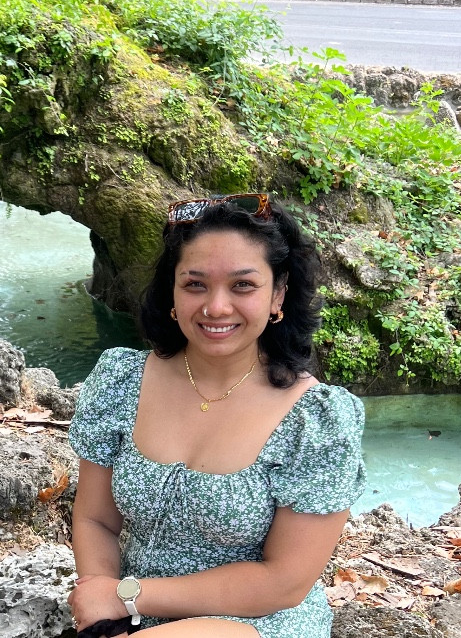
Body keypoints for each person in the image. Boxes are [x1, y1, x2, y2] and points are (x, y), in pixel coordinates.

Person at [67, 193, 366, 638]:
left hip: (253, 619)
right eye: (195, 284)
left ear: (278, 294)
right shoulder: (122, 380)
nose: (216, 307)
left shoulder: (317, 421)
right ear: (172, 290)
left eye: (242, 285)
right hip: (129, 611)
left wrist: (127, 595)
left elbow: (284, 582)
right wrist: (106, 613)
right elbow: (97, 520)